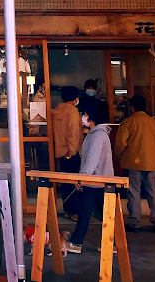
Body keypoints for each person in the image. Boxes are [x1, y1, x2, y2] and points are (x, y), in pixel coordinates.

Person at [114, 95, 155, 233]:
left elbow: (120, 144)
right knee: (154, 192)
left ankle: (134, 222)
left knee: (134, 192)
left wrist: (121, 157)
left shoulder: (128, 122)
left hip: (133, 163)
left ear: (132, 108)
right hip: (151, 164)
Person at [65, 114, 114, 254]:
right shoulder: (97, 134)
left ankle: (77, 242)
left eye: (85, 115)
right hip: (99, 181)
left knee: (85, 213)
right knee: (103, 215)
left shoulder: (98, 136)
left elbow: (92, 159)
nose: (83, 117)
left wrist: (83, 177)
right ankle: (111, 244)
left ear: (91, 118)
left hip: (95, 181)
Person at [52, 86, 84, 218]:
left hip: (60, 151)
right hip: (71, 152)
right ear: (76, 98)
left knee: (66, 182)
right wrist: (72, 150)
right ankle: (75, 212)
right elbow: (73, 132)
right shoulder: (72, 111)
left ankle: (67, 210)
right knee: (75, 182)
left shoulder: (56, 110)